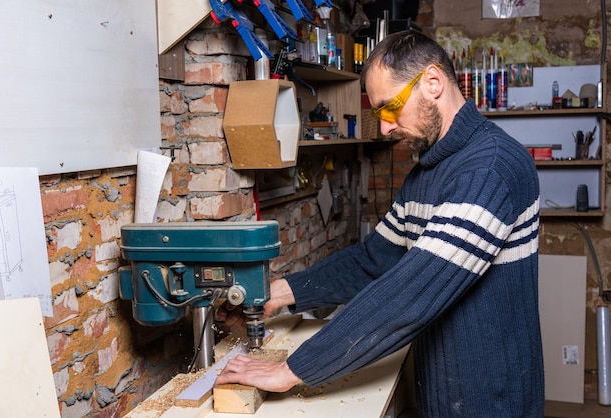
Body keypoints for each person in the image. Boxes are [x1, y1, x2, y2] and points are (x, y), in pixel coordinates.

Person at [216, 30, 544, 417]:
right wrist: (280, 293)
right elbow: (373, 261)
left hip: (491, 400)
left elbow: (414, 291)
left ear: (433, 83)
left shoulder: (489, 170)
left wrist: (289, 371)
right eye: (379, 114)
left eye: (390, 108)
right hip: (442, 390)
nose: (385, 128)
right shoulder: (428, 173)